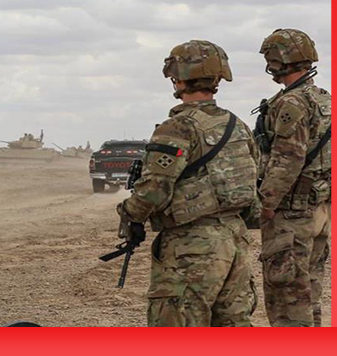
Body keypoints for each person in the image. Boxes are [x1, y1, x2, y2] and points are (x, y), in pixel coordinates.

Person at [117, 40, 258, 327]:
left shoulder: (178, 126)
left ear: (177, 78)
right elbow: (254, 176)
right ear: (218, 78)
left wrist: (129, 213)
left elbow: (154, 191)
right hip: (236, 242)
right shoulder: (237, 126)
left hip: (191, 247)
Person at [254, 29, 331, 327]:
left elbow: (288, 158)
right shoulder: (324, 100)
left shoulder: (292, 103)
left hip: (292, 212)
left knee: (287, 297)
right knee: (309, 291)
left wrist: (267, 203)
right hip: (319, 208)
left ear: (279, 61)